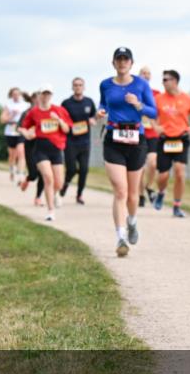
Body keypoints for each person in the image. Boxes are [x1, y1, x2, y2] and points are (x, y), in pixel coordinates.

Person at [99, 47, 157, 256]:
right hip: (113, 138)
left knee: (133, 194)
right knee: (120, 191)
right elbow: (103, 103)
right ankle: (121, 237)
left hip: (136, 139)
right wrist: (101, 110)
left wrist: (138, 104)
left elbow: (153, 111)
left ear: (131, 63)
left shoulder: (141, 84)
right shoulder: (105, 84)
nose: (122, 62)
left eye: (126, 59)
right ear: (113, 63)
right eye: (119, 59)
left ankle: (132, 221)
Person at [153, 69, 190, 215]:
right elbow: (150, 116)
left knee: (180, 173)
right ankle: (161, 192)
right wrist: (155, 126)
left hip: (181, 139)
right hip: (164, 140)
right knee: (163, 176)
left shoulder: (188, 99)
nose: (163, 82)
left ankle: (176, 206)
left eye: (165, 80)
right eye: (162, 80)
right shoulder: (158, 99)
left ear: (174, 81)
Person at [19, 85, 72, 222]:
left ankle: (53, 195)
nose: (46, 96)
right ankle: (50, 210)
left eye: (48, 93)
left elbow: (67, 129)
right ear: (40, 95)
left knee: (59, 183)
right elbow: (22, 127)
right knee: (48, 178)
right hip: (40, 149)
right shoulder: (34, 112)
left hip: (57, 149)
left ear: (51, 95)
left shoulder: (59, 110)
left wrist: (58, 120)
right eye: (44, 93)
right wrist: (27, 133)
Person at [60, 77, 98, 205]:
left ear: (84, 87)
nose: (78, 87)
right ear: (72, 87)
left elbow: (94, 116)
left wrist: (93, 120)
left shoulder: (89, 102)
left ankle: (79, 194)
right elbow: (61, 119)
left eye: (80, 85)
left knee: (84, 169)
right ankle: (65, 184)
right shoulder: (66, 103)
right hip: (70, 142)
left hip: (85, 142)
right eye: (75, 85)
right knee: (71, 169)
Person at [137, 65, 162, 207]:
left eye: (148, 73)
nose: (146, 75)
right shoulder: (134, 92)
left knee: (153, 162)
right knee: (139, 167)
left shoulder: (157, 94)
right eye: (143, 73)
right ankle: (140, 194)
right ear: (139, 75)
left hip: (152, 133)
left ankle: (149, 186)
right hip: (139, 133)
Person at [17, 92, 46, 206]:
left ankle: (38, 197)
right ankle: (28, 179)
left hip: (44, 145)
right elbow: (19, 127)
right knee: (34, 174)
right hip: (30, 145)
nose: (39, 100)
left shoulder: (47, 112)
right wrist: (27, 133)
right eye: (37, 98)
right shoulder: (27, 113)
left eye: (41, 98)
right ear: (32, 100)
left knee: (44, 173)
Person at [1, 88, 29, 182]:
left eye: (18, 94)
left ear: (20, 95)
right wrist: (11, 115)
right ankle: (12, 169)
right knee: (12, 155)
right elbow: (2, 120)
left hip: (21, 130)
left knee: (21, 152)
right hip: (10, 131)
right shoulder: (8, 105)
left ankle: (21, 174)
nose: (16, 96)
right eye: (14, 94)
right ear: (11, 95)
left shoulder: (26, 105)